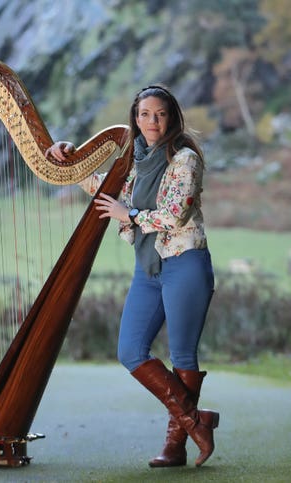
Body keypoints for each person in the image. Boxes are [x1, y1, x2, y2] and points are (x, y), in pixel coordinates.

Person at [45, 84, 218, 468]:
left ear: (171, 117)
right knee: (130, 350)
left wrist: (132, 216)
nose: (152, 121)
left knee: (183, 354)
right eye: (144, 115)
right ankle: (196, 422)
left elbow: (175, 214)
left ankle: (176, 446)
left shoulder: (184, 159)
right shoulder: (136, 163)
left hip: (185, 263)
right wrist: (65, 158)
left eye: (159, 114)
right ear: (134, 119)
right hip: (149, 267)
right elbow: (102, 189)